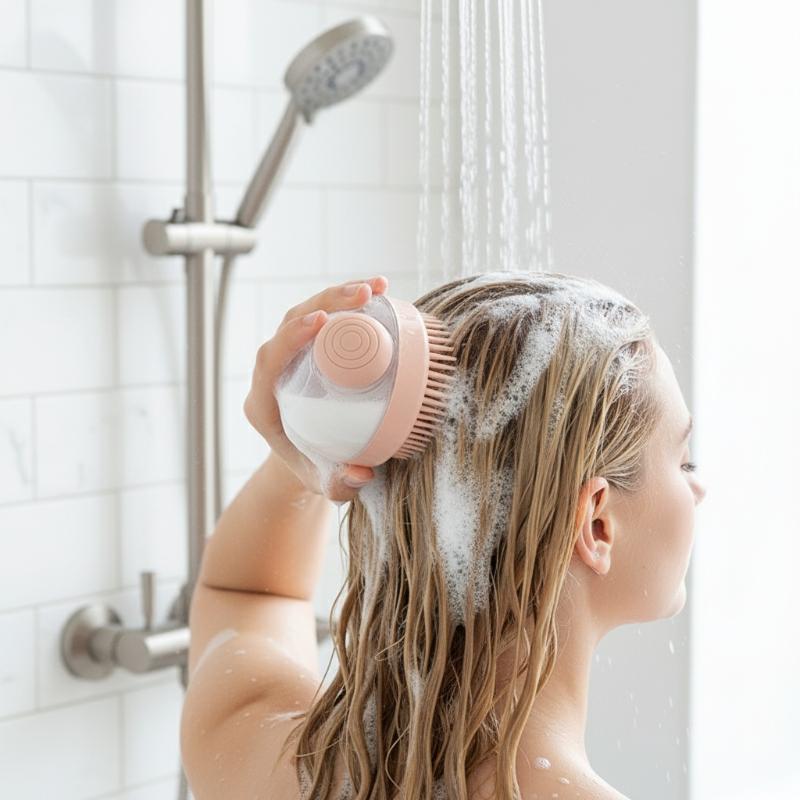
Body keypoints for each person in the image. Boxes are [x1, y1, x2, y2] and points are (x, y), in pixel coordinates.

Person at [179, 271, 707, 800]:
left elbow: (247, 594)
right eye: (684, 462)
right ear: (596, 524)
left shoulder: (254, 750)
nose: (699, 489)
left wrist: (312, 436)